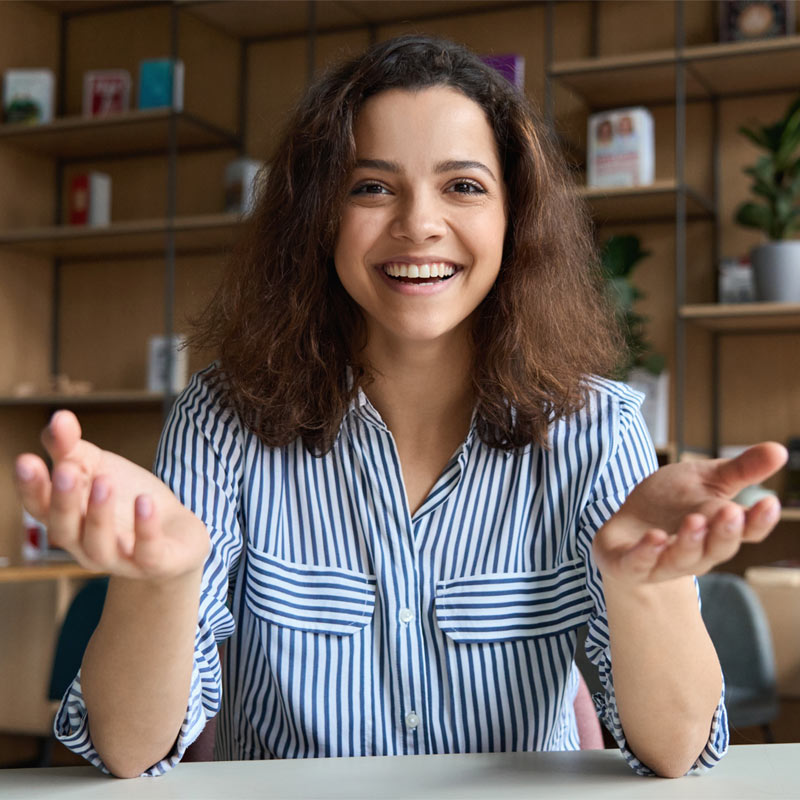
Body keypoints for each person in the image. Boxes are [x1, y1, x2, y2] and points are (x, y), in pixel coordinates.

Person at [15, 35, 787, 780]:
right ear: (318, 217)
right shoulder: (223, 418)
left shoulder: (599, 428)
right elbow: (126, 750)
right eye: (372, 187)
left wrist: (641, 589)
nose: (419, 223)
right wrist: (162, 582)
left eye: (464, 186)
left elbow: (678, 753)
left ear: (514, 219)